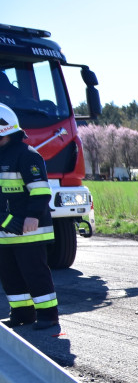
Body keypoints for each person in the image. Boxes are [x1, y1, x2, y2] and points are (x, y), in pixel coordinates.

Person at [0, 103, 58, 330]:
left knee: (35, 274)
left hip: (30, 230)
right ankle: (22, 314)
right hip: (5, 231)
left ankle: (48, 315)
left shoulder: (27, 156)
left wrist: (33, 216)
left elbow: (41, 191)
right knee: (10, 276)